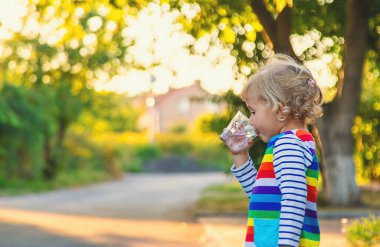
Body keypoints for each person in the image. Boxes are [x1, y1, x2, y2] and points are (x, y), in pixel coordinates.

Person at [222, 53, 323, 247]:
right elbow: (259, 194)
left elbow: (294, 199)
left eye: (253, 111)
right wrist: (241, 155)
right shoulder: (289, 142)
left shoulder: (289, 145)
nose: (251, 120)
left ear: (279, 109)